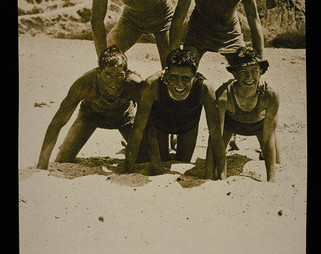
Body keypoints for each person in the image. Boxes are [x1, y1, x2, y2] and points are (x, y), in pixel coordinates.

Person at [37, 46, 149, 170]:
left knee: (145, 158)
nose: (113, 82)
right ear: (99, 73)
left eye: (118, 75)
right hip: (89, 117)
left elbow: (151, 116)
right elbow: (57, 123)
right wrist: (41, 166)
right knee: (63, 159)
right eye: (108, 74)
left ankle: (128, 147)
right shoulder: (85, 84)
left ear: (127, 74)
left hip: (125, 119)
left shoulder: (134, 85)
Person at [125, 48, 226, 179]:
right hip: (160, 125)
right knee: (163, 160)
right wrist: (128, 170)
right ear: (166, 72)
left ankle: (176, 142)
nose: (179, 84)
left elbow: (216, 135)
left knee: (183, 161)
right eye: (174, 77)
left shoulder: (204, 88)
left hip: (188, 126)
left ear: (194, 76)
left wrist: (220, 176)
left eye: (185, 78)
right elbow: (138, 129)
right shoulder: (153, 85)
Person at [205, 47, 280, 182]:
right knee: (218, 147)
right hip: (231, 124)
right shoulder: (224, 96)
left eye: (254, 71)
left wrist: (271, 181)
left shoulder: (270, 95)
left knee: (276, 159)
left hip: (259, 126)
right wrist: (211, 176)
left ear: (261, 72)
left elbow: (269, 138)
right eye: (243, 72)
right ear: (234, 74)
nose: (249, 77)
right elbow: (215, 137)